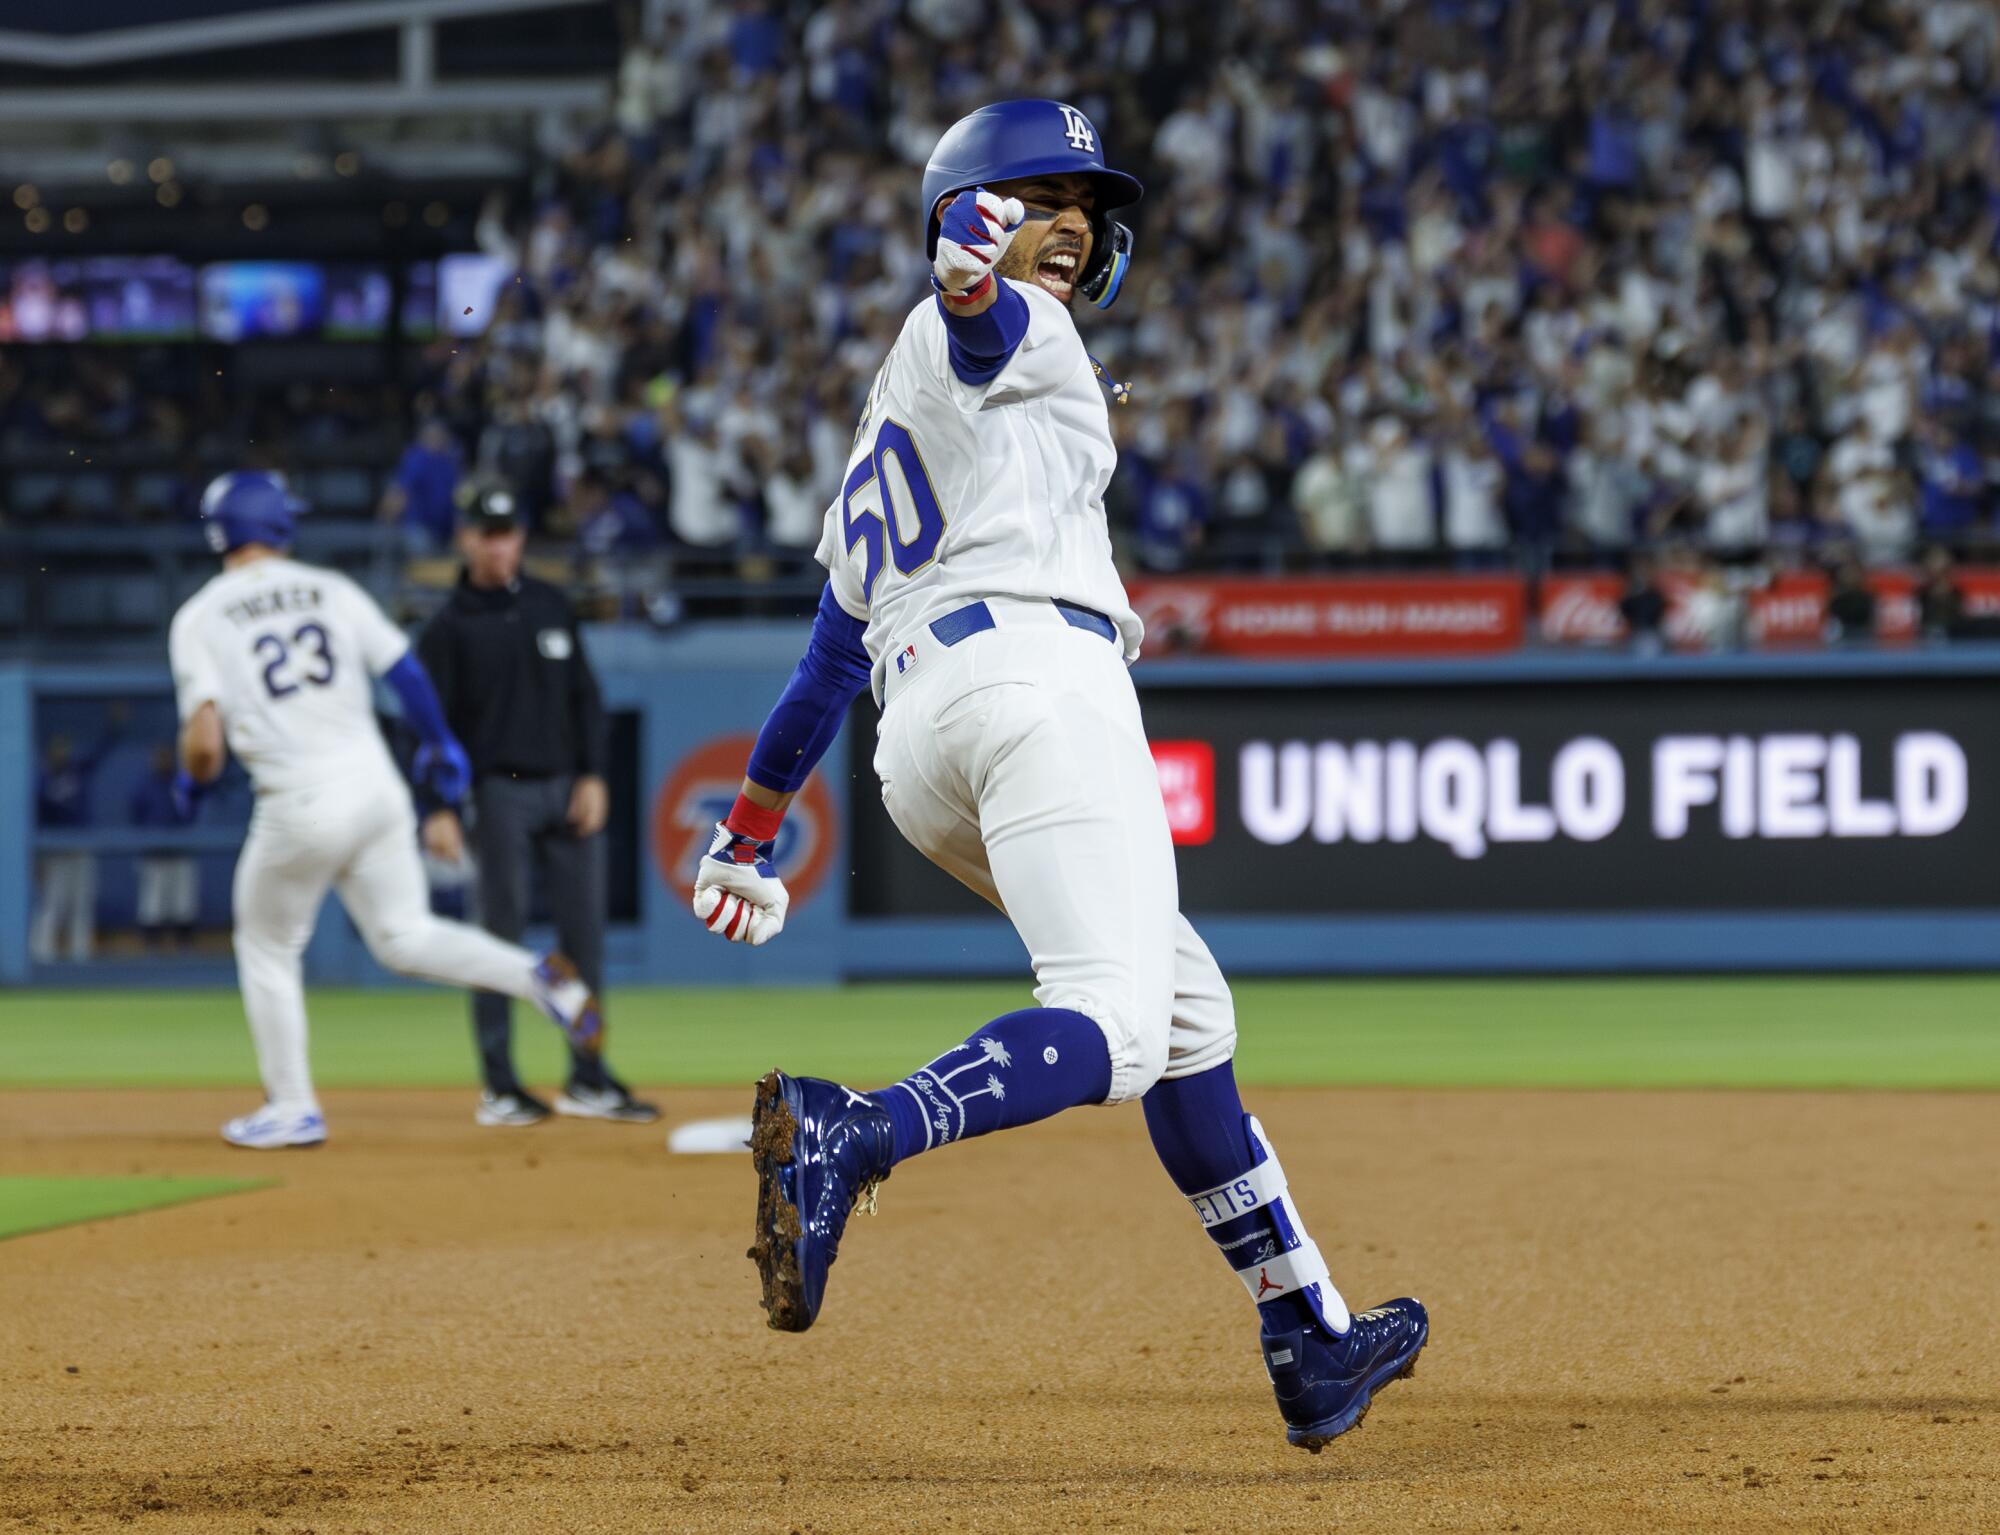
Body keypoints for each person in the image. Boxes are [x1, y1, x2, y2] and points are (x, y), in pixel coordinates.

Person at [689, 100, 1426, 1452]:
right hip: (1037, 682)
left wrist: (747, 833)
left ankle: (1308, 1335)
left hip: (922, 737)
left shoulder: (892, 429)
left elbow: (821, 668)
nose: (1070, 217)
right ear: (968, 213)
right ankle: (856, 1130)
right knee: (1116, 1020)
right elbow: (980, 319)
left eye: (1082, 200)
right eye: (1033, 192)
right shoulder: (1009, 328)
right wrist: (970, 274)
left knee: (1187, 1015)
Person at [168, 470, 606, 1149]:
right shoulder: (330, 589)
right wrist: (439, 742)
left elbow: (204, 738)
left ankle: (291, 1105)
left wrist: (194, 783)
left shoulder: (200, 615)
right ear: (279, 524)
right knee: (403, 935)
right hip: (376, 792)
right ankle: (536, 977)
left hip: (299, 803)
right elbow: (405, 671)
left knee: (266, 944)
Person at [415, 482, 657, 1126]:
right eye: (489, 533)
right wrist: (436, 806)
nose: (501, 544)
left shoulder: (551, 603)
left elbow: (586, 697)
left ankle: (588, 1076)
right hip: (498, 793)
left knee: (585, 943)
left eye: (510, 532)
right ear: (467, 538)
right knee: (498, 941)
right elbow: (428, 728)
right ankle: (500, 1085)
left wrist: (595, 775)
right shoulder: (447, 627)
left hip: (566, 789)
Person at [30, 712, 123, 963]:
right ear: (49, 751)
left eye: (65, 746)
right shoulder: (43, 780)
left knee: (82, 904)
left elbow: (101, 752)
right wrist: (38, 858)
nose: (62, 751)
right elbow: (37, 819)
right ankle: (42, 956)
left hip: (81, 847)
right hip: (56, 851)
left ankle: (81, 956)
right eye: (58, 747)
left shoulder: (77, 769)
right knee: (53, 904)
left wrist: (115, 727)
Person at [130, 743, 199, 951]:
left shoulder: (182, 784)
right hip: (154, 855)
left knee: (184, 905)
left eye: (167, 757)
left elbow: (193, 811)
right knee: (152, 906)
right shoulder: (145, 786)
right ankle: (152, 952)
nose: (164, 761)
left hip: (180, 852)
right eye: (160, 757)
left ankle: (185, 952)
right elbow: (136, 816)